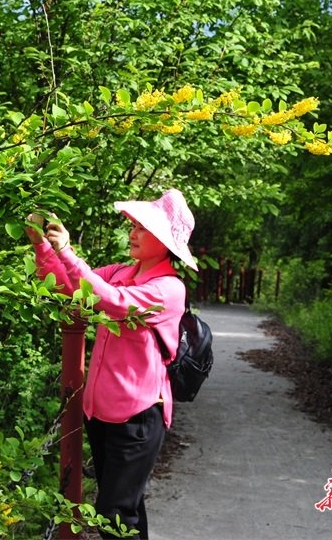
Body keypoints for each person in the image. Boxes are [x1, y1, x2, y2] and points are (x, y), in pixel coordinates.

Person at [26, 188, 198, 539]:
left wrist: (67, 252)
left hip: (138, 416)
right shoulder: (120, 271)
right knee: (125, 510)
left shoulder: (168, 289)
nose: (133, 233)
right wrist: (42, 245)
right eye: (134, 226)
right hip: (101, 413)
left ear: (164, 242)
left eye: (142, 229)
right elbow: (67, 287)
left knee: (114, 514)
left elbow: (113, 302)